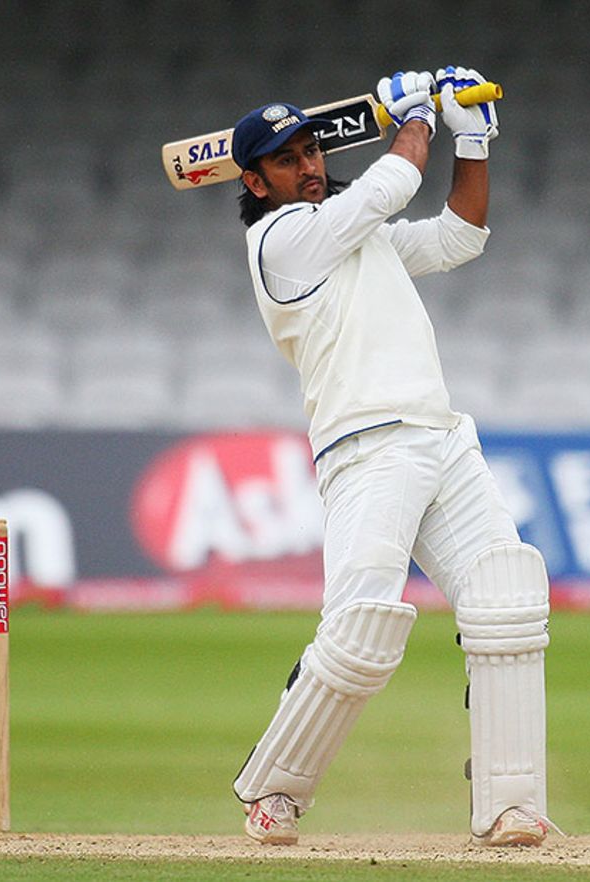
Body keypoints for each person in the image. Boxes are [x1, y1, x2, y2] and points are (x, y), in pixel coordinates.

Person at [228, 68, 555, 847]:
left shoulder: (356, 235)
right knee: (362, 630)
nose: (309, 165)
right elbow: (390, 184)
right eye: (288, 159)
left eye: (312, 150)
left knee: (505, 599)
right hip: (367, 446)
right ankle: (273, 789)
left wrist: (469, 141)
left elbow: (459, 235)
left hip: (442, 436)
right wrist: (415, 118)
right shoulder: (280, 241)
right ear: (255, 181)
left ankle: (509, 802)